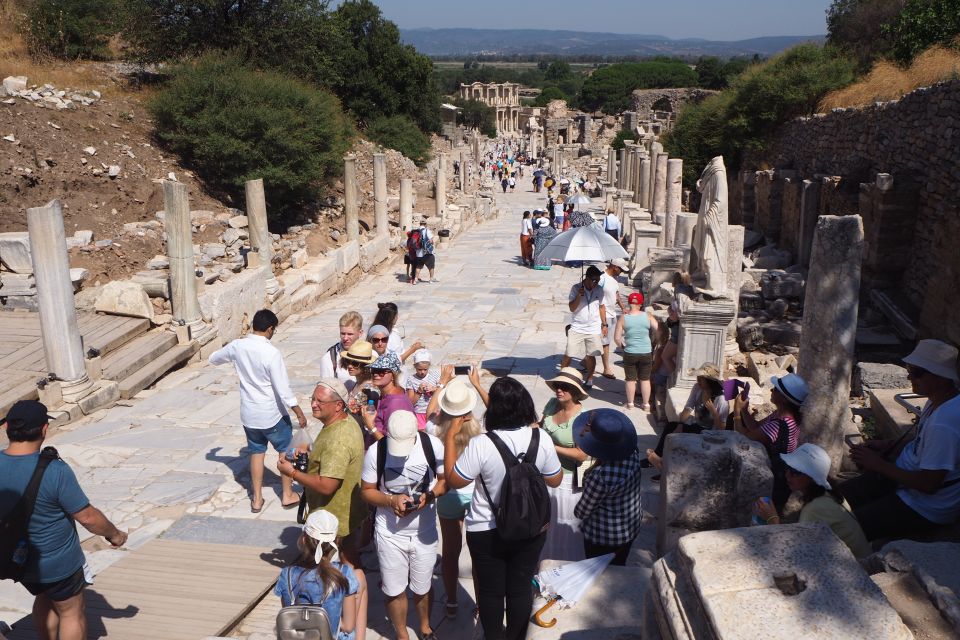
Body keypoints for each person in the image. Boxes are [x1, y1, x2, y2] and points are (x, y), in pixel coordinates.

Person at [443, 377, 563, 640]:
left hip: (486, 528)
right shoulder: (540, 438)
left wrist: (450, 438)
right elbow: (555, 479)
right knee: (520, 589)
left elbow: (454, 480)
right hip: (530, 526)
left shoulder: (482, 444)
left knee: (490, 592)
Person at [0, 401, 128, 640]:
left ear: (7, 427)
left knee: (45, 597)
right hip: (56, 563)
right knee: (71, 611)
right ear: (44, 429)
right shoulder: (54, 471)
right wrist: (115, 534)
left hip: (17, 562)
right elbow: (88, 517)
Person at [841, 339, 960, 541]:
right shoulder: (937, 400)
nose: (909, 376)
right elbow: (920, 440)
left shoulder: (944, 425)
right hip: (903, 479)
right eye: (909, 369)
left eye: (917, 372)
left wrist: (878, 465)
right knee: (834, 497)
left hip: (925, 506)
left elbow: (928, 484)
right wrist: (885, 445)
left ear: (941, 378)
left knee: (845, 528)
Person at [277, 378, 368, 640]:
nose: (313, 404)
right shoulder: (343, 422)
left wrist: (291, 472)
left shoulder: (338, 439)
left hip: (335, 517)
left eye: (320, 401)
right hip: (343, 513)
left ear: (338, 405)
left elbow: (327, 485)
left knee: (348, 572)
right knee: (349, 571)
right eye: (313, 399)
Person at [209, 309, 307, 512]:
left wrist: (214, 454)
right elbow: (282, 388)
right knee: (286, 451)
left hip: (249, 414)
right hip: (271, 414)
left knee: (256, 452)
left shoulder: (237, 346)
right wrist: (298, 411)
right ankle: (288, 495)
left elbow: (214, 358)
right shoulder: (271, 353)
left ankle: (256, 499)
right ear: (270, 328)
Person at [361, 412, 445, 640]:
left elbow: (445, 480)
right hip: (389, 533)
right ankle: (401, 634)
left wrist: (429, 495)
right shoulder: (376, 452)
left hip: (424, 533)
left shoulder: (432, 445)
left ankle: (425, 628)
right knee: (393, 588)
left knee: (423, 586)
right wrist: (390, 501)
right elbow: (366, 490)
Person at [423, 368, 483, 618]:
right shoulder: (480, 430)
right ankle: (482, 602)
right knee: (479, 553)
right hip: (476, 496)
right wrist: (477, 384)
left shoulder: (434, 430)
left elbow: (428, 412)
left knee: (450, 552)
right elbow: (495, 410)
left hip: (447, 494)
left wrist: (442, 383)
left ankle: (451, 601)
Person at [755, 444, 871, 559]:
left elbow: (797, 552)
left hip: (856, 569)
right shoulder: (830, 493)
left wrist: (772, 519)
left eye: (795, 471)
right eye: (788, 467)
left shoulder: (815, 508)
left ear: (812, 477)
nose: (787, 475)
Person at [573, 408, 644, 565]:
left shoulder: (600, 476)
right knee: (619, 564)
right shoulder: (632, 452)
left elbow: (582, 512)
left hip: (604, 536)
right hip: (630, 526)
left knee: (599, 571)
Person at [275, 510, 359, 640]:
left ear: (304, 539)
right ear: (336, 540)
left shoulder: (287, 574)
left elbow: (289, 615)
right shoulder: (344, 574)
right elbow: (348, 626)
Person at [734, 372, 808, 513]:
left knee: (765, 514)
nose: (771, 391)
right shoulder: (782, 415)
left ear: (784, 399)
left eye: (775, 390)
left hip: (776, 479)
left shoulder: (779, 424)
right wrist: (744, 410)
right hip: (779, 474)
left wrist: (737, 412)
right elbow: (756, 428)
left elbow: (746, 437)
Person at [540, 368, 588, 561]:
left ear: (575, 391)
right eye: (557, 386)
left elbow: (582, 455)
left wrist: (551, 447)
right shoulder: (552, 404)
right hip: (545, 476)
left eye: (565, 387)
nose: (559, 390)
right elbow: (541, 424)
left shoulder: (582, 419)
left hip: (568, 481)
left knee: (563, 531)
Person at [647, 363, 729, 471]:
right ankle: (657, 456)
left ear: (710, 381)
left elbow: (722, 428)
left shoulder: (721, 400)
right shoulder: (697, 388)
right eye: (698, 378)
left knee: (683, 441)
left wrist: (713, 412)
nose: (698, 381)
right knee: (671, 426)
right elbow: (688, 408)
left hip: (710, 434)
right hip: (697, 427)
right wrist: (680, 424)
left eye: (701, 379)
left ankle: (665, 467)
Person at [561, 265, 607, 389]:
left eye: (598, 280)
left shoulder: (599, 290)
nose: (596, 283)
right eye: (594, 280)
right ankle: (562, 375)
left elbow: (602, 307)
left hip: (593, 328)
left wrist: (604, 324)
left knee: (591, 355)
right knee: (569, 353)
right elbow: (572, 308)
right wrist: (579, 296)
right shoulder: (576, 288)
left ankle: (590, 379)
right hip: (577, 327)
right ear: (586, 278)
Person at [615, 292, 659, 410]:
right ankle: (646, 405)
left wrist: (623, 348)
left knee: (630, 379)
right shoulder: (648, 316)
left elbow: (617, 338)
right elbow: (658, 329)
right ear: (640, 304)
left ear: (629, 303)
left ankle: (630, 403)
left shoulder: (623, 318)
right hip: (645, 351)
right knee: (645, 379)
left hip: (630, 351)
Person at [362, 352, 415, 442]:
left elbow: (392, 442)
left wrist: (371, 426)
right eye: (374, 370)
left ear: (393, 375)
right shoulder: (387, 394)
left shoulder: (396, 403)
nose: (375, 374)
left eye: (381, 372)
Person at [598, 260, 627, 380]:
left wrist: (623, 308)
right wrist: (602, 320)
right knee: (605, 342)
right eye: (620, 269)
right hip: (603, 315)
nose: (621, 272)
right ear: (614, 267)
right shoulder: (601, 278)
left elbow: (616, 294)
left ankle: (585, 360)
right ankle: (606, 369)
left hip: (613, 314)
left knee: (615, 338)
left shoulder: (614, 280)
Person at [318, 311, 365, 383]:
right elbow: (326, 390)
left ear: (360, 333)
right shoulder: (329, 359)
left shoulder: (370, 353)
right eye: (343, 333)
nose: (345, 338)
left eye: (350, 334)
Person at [405, 349, 440, 431]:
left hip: (434, 412)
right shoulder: (411, 379)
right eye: (419, 369)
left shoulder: (434, 375)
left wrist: (433, 389)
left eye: (425, 369)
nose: (422, 372)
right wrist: (419, 392)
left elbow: (441, 391)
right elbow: (410, 402)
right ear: (415, 367)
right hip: (419, 413)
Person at [410, 218, 437, 285]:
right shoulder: (426, 230)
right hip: (427, 252)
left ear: (420, 224)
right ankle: (431, 279)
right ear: (425, 224)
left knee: (418, 266)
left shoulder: (415, 231)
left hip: (418, 253)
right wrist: (432, 243)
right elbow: (431, 240)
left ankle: (415, 279)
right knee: (431, 266)